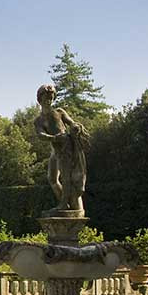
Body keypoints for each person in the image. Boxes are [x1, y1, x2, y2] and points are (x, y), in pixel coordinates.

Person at [34, 84, 89, 213]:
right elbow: (40, 134)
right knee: (52, 178)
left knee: (66, 176)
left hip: (66, 147)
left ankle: (65, 204)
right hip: (55, 149)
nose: (49, 100)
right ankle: (65, 202)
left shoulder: (59, 112)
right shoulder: (39, 120)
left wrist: (76, 127)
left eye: (51, 97)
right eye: (46, 98)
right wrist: (53, 138)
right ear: (40, 99)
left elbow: (71, 122)